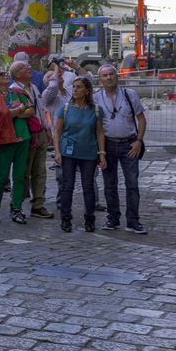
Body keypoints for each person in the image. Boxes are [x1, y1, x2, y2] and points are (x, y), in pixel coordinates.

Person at [93, 65, 148, 233]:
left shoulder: (130, 94)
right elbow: (97, 127)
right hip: (108, 145)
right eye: (105, 75)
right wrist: (100, 151)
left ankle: (133, 221)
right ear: (100, 79)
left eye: (111, 74)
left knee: (132, 184)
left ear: (117, 76)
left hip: (129, 144)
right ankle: (113, 219)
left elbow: (141, 119)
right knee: (110, 185)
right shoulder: (95, 98)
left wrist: (139, 140)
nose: (109, 78)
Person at [53, 76, 106, 233]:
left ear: (87, 90)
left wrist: (102, 154)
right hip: (68, 151)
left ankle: (89, 219)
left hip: (88, 152)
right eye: (74, 86)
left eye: (79, 87)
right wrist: (57, 151)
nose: (75, 89)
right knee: (67, 185)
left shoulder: (96, 110)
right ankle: (66, 218)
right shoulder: (65, 108)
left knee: (88, 186)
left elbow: (100, 133)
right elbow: (57, 132)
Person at [0, 68, 32, 224]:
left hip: (23, 138)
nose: (6, 75)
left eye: (5, 73)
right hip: (5, 140)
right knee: (2, 177)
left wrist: (13, 113)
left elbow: (31, 110)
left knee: (19, 176)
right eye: (2, 75)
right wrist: (19, 109)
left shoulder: (17, 92)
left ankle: (17, 209)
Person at [11, 61, 54, 219]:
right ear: (17, 74)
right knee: (23, 171)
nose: (30, 68)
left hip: (40, 132)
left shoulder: (34, 87)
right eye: (25, 67)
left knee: (40, 171)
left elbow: (41, 108)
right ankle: (16, 204)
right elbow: (12, 114)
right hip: (25, 135)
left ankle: (38, 205)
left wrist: (47, 129)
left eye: (29, 66)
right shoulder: (13, 90)